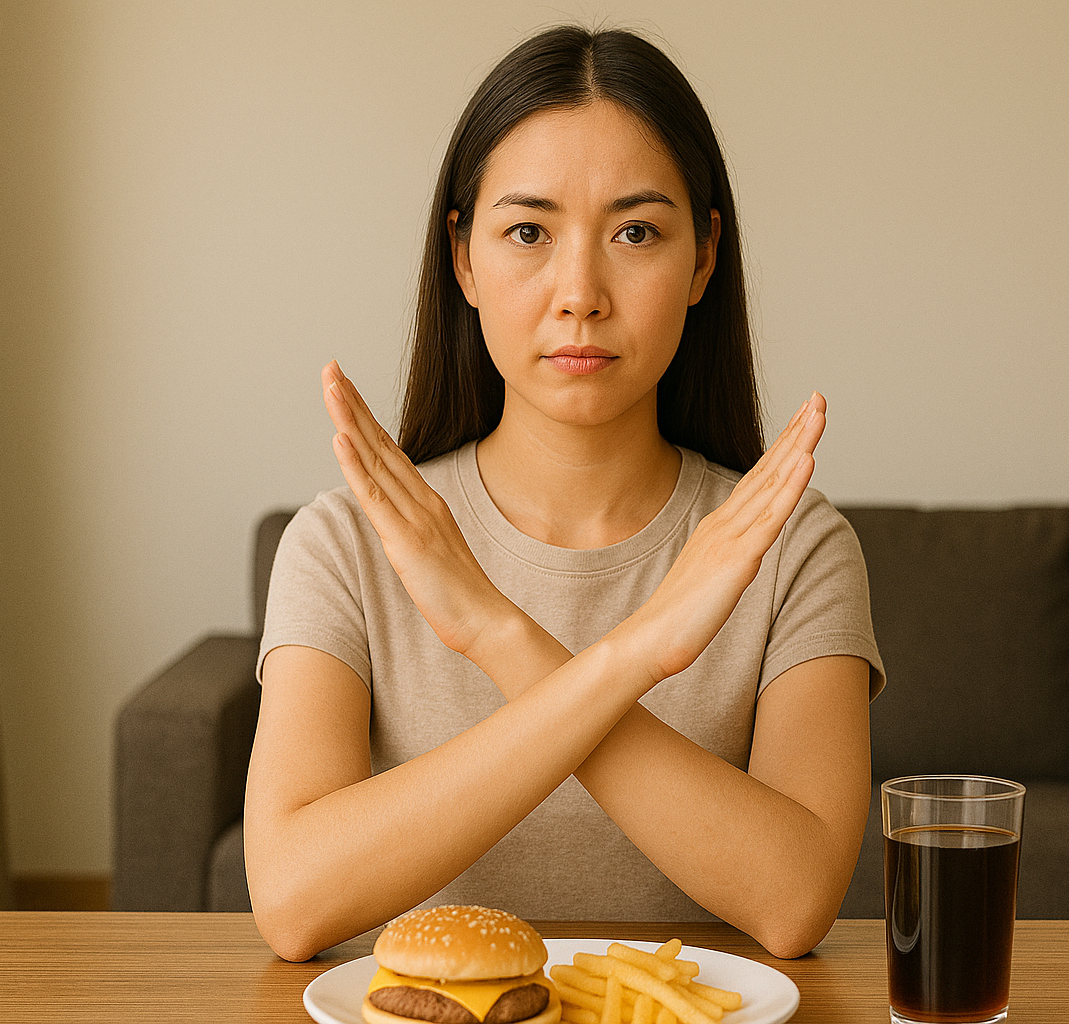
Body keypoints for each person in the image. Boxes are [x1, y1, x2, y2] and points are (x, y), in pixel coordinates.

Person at [244, 25, 885, 963]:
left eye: (636, 232)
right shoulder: (345, 542)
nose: (580, 292)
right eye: (528, 232)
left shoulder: (789, 546)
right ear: (463, 258)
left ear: (704, 258)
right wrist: (633, 658)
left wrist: (500, 635)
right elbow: (295, 902)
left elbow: (793, 904)